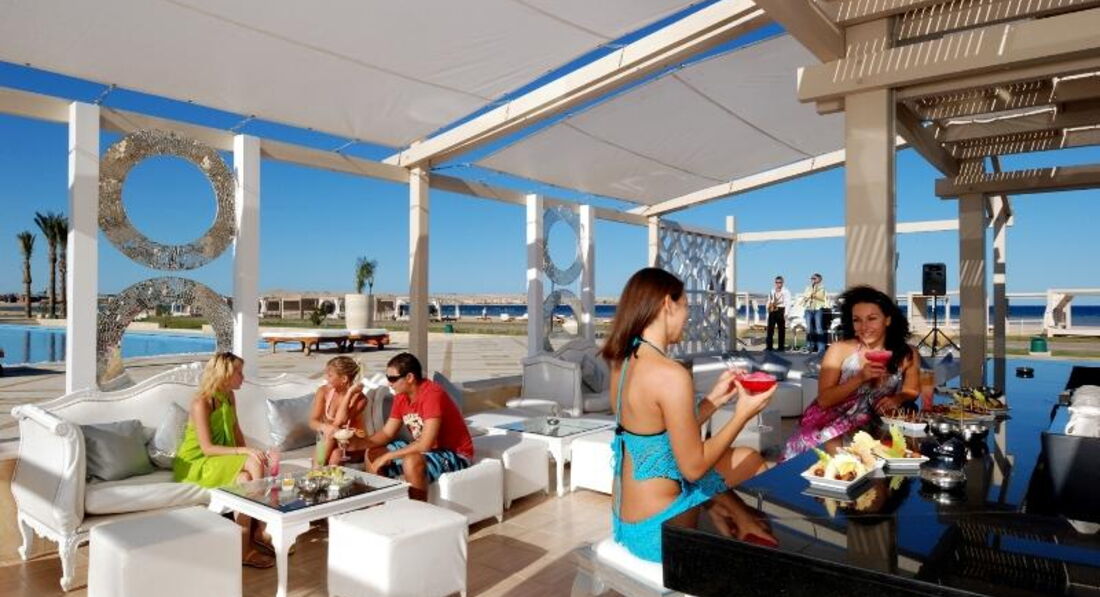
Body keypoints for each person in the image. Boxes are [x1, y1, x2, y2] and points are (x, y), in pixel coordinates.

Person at [601, 267, 776, 563]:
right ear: (667, 304)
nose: (688, 317)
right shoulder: (671, 374)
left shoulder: (623, 360)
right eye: (686, 307)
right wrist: (742, 415)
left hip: (626, 519)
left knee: (747, 460)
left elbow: (658, 431)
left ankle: (742, 519)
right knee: (743, 500)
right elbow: (693, 467)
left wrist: (713, 400)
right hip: (660, 529)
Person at [783, 285, 920, 460]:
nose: (864, 327)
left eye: (872, 318)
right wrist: (860, 378)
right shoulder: (839, 349)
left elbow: (911, 391)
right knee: (840, 466)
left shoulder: (907, 354)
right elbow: (824, 400)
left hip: (872, 425)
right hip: (827, 425)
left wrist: (898, 399)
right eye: (857, 320)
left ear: (887, 320)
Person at [173, 352, 273, 568]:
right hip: (197, 462)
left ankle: (244, 548)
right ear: (224, 374)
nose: (243, 377)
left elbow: (236, 430)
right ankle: (262, 526)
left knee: (245, 479)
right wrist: (246, 452)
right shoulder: (202, 402)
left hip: (220, 458)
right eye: (239, 372)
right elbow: (207, 448)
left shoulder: (229, 396)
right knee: (253, 463)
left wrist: (249, 451)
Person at [349, 352, 473, 500]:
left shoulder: (432, 394)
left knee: (411, 461)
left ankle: (417, 510)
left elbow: (425, 444)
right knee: (373, 453)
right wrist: (359, 444)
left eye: (393, 379)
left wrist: (389, 456)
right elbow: (387, 433)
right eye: (388, 378)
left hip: (454, 453)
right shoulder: (401, 396)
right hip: (426, 448)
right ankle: (382, 503)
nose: (389, 383)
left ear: (409, 377)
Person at [309, 356, 367, 465]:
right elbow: (312, 421)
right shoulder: (323, 391)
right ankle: (318, 470)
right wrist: (324, 427)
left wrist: (349, 393)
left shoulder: (360, 399)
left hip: (352, 442)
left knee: (336, 454)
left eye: (330, 375)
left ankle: (316, 470)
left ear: (344, 379)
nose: (326, 378)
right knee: (331, 435)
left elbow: (340, 421)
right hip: (330, 438)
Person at [799, 273, 830, 353]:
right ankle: (810, 346)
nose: (812, 280)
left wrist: (814, 295)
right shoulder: (808, 288)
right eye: (812, 278)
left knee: (819, 329)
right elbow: (805, 297)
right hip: (808, 309)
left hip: (817, 309)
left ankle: (821, 348)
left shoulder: (822, 288)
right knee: (809, 329)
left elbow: (822, 298)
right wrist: (807, 297)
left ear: (819, 279)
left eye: (814, 278)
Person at [765, 276, 791, 351]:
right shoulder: (772, 290)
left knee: (781, 329)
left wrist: (786, 313)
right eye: (776, 282)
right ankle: (769, 347)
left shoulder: (786, 291)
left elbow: (788, 303)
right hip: (772, 309)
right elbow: (769, 300)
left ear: (782, 283)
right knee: (770, 329)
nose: (778, 284)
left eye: (779, 282)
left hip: (781, 309)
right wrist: (768, 309)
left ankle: (781, 347)